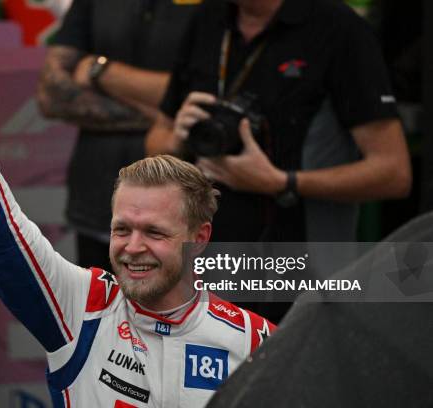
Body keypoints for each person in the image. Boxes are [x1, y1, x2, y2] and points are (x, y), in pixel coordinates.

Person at [0, 13, 276, 408]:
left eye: (154, 232)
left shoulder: (256, 342)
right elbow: (0, 238)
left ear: (199, 238)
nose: (133, 247)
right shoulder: (81, 308)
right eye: (122, 230)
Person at [145, 0, 412, 323]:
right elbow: (157, 139)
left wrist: (281, 182)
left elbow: (394, 172)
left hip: (299, 274)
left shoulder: (339, 28)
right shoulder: (208, 18)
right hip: (207, 267)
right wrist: (177, 139)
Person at [36, 0, 201, 272]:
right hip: (97, 204)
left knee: (194, 311)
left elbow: (213, 95)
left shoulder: (214, 8)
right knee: (101, 313)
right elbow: (52, 96)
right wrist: (168, 117)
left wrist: (100, 70)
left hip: (186, 207)